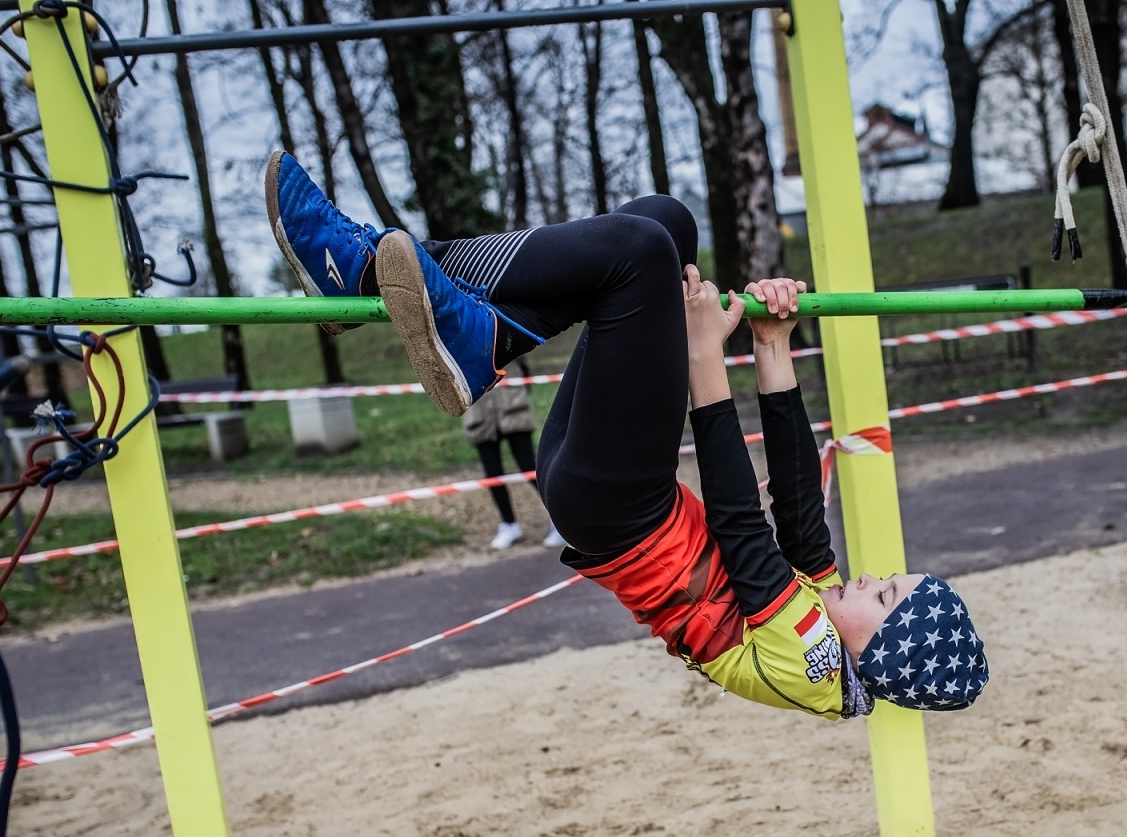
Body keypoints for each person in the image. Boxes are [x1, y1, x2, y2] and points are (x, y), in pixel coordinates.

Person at [265, 150, 988, 718]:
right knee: (665, 224)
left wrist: (706, 354)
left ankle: (389, 279)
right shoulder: (832, 616)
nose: (871, 578)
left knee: (639, 255)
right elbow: (799, 510)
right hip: (604, 490)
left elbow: (742, 526)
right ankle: (457, 319)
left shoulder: (816, 660)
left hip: (625, 512)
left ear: (881, 655)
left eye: (885, 595)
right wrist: (773, 345)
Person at [460, 364, 565, 550]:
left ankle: (561, 522)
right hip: (478, 412)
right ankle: (509, 525)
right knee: (492, 473)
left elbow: (524, 364)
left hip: (512, 405)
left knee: (529, 467)